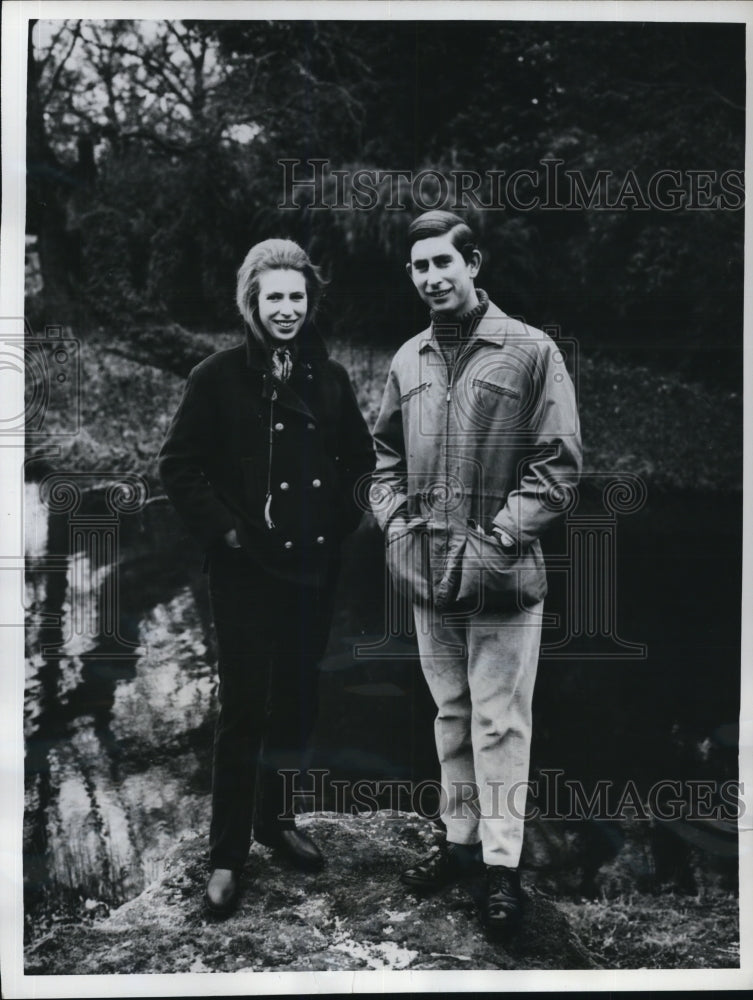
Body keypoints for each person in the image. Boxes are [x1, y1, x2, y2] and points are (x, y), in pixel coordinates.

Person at [370, 210, 582, 940]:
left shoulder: (528, 351)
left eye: (443, 263)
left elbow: (557, 467)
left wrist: (494, 542)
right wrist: (396, 527)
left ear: (473, 264)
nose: (432, 276)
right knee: (450, 715)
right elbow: (383, 460)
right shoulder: (407, 359)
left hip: (501, 577)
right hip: (427, 577)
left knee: (500, 721)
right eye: (420, 266)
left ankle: (501, 868)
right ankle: (458, 844)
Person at [159, 238, 374, 916]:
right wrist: (227, 531)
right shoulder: (215, 376)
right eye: (273, 297)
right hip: (244, 569)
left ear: (309, 304)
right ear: (251, 303)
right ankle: (225, 857)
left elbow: (362, 463)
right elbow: (178, 467)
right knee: (244, 707)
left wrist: (342, 520)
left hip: (313, 565)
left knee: (298, 699)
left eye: (296, 297)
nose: (285, 309)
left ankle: (275, 822)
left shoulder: (330, 378)